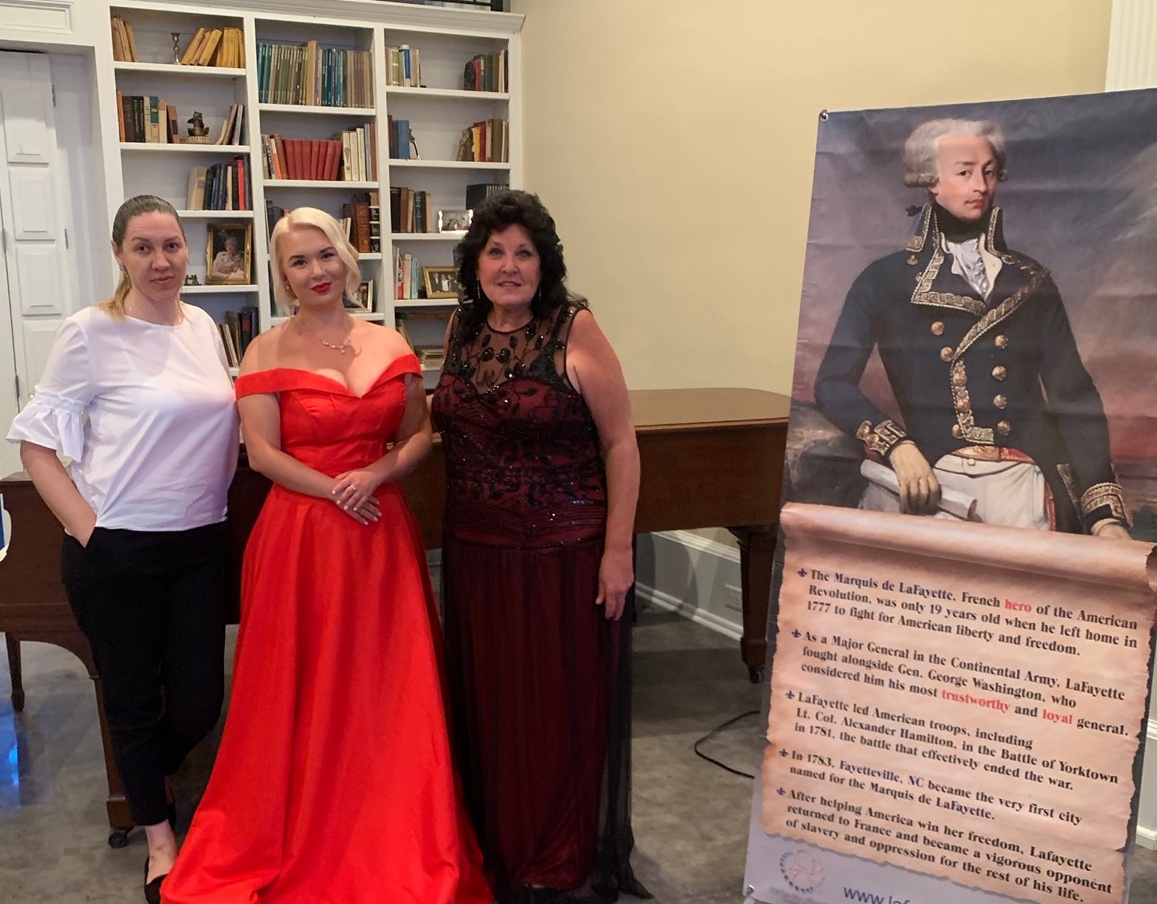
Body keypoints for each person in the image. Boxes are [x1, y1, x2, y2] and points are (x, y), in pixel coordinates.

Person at [162, 207, 491, 904]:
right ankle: (296, 827)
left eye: (324, 256)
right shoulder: (264, 352)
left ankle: (396, 824)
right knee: (299, 690)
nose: (315, 272)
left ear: (347, 260)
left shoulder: (389, 341)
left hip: (378, 536)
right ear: (281, 278)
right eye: (297, 263)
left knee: (386, 688)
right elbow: (264, 455)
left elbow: (418, 434)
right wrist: (337, 488)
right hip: (301, 539)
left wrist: (375, 475)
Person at [5, 194, 239, 904]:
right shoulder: (90, 332)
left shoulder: (203, 324)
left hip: (201, 542)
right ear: (120, 255)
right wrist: (89, 530)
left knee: (199, 701)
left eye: (172, 245)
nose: (162, 261)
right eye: (144, 248)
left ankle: (149, 779)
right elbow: (36, 445)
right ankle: (159, 838)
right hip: (117, 550)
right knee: (133, 702)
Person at [431, 190, 650, 904]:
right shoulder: (460, 327)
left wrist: (617, 551)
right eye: (495, 251)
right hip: (475, 552)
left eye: (524, 252)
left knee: (556, 708)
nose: (509, 265)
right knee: (491, 704)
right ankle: (496, 839)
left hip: (562, 552)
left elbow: (621, 443)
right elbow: (445, 422)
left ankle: (552, 856)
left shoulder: (573, 327)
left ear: (543, 263)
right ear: (476, 262)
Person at [813, 118, 1130, 538]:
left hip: (1030, 488)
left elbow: (1075, 398)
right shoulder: (884, 280)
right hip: (937, 485)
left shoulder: (1031, 280)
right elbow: (833, 383)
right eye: (964, 172)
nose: (980, 185)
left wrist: (1104, 514)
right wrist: (898, 446)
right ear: (931, 181)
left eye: (989, 172)